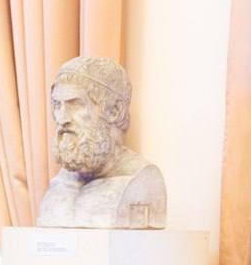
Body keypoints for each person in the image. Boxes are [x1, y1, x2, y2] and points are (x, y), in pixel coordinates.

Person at [36, 56, 166, 229]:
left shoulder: (141, 180)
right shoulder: (59, 183)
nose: (62, 118)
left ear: (115, 111)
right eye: (57, 105)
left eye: (76, 104)